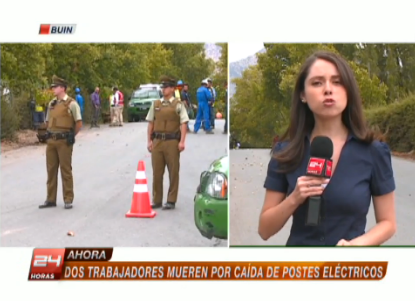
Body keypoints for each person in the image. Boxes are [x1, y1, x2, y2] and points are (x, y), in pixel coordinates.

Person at [258, 51, 396, 246]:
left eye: (337, 82)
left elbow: (388, 223)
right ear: (303, 95)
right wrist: (294, 198)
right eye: (317, 83)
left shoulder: (374, 151)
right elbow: (264, 229)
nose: (328, 89)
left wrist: (357, 245)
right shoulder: (285, 152)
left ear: (348, 90)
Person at [146, 76, 189, 210]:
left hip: (172, 141)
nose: (163, 90)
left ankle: (171, 200)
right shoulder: (156, 104)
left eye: (166, 87)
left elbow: (183, 123)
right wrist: (149, 141)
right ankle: (157, 199)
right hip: (158, 140)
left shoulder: (178, 105)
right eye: (162, 87)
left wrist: (182, 141)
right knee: (157, 172)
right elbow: (150, 123)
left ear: (172, 89)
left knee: (173, 171)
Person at [39, 76, 82, 210]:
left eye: (55, 87)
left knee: (65, 170)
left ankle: (68, 198)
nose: (53, 89)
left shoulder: (71, 104)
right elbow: (47, 121)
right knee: (51, 170)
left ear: (62, 88)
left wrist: (71, 135)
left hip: (64, 141)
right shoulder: (52, 104)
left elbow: (79, 122)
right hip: (51, 140)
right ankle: (50, 198)